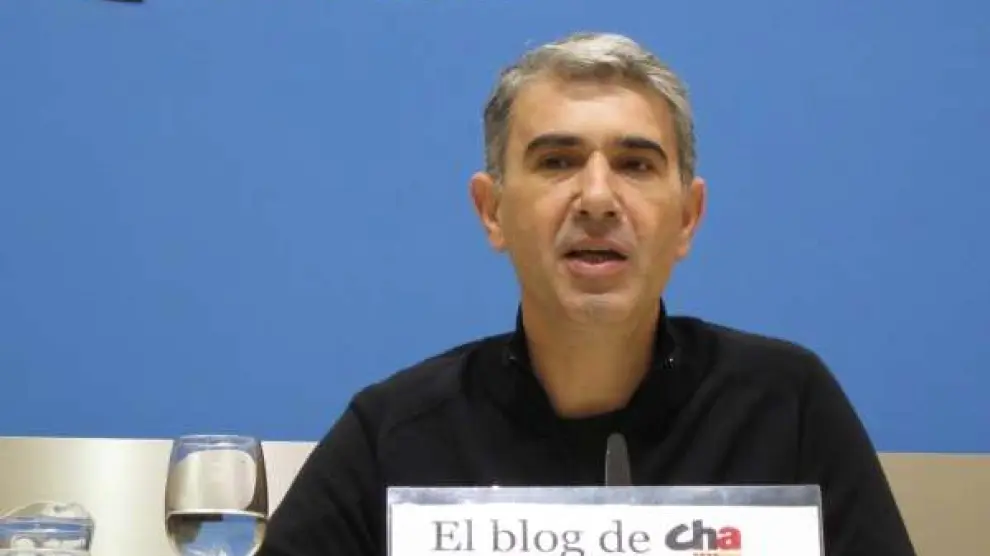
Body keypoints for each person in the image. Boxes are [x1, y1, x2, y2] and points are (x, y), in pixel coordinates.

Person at [256, 31, 916, 556]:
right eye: (557, 161)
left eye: (635, 164)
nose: (597, 198)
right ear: (492, 211)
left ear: (688, 218)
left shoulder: (785, 408)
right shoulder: (395, 436)